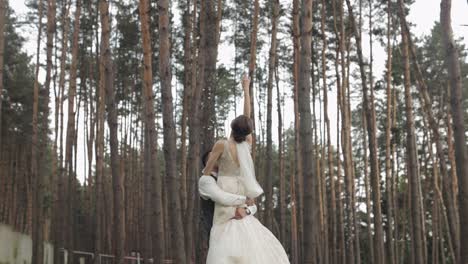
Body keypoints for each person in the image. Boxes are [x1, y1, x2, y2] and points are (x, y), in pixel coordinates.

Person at [202, 74, 290, 264]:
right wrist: (246, 90)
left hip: (225, 187)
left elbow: (207, 171)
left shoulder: (221, 145)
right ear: (247, 133)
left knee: (222, 235)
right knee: (244, 234)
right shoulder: (247, 144)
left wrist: (207, 173)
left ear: (232, 129)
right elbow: (247, 117)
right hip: (240, 186)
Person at [198, 150, 258, 262]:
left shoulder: (231, 179)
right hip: (220, 233)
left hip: (243, 231)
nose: (219, 158)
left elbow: (253, 206)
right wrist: (245, 198)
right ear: (207, 162)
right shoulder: (205, 180)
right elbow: (222, 198)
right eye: (214, 156)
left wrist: (247, 210)